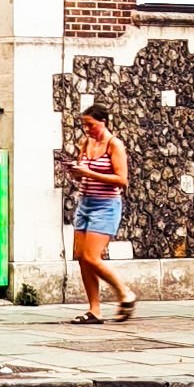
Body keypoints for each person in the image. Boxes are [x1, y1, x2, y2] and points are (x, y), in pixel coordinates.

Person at [65, 105, 135, 322]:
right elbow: (83, 173)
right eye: (84, 125)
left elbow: (121, 180)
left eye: (91, 125)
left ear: (103, 122)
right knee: (81, 258)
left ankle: (124, 292)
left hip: (105, 205)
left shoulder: (114, 145)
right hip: (85, 203)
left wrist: (89, 172)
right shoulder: (86, 143)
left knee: (92, 257)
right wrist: (77, 172)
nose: (87, 129)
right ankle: (94, 310)